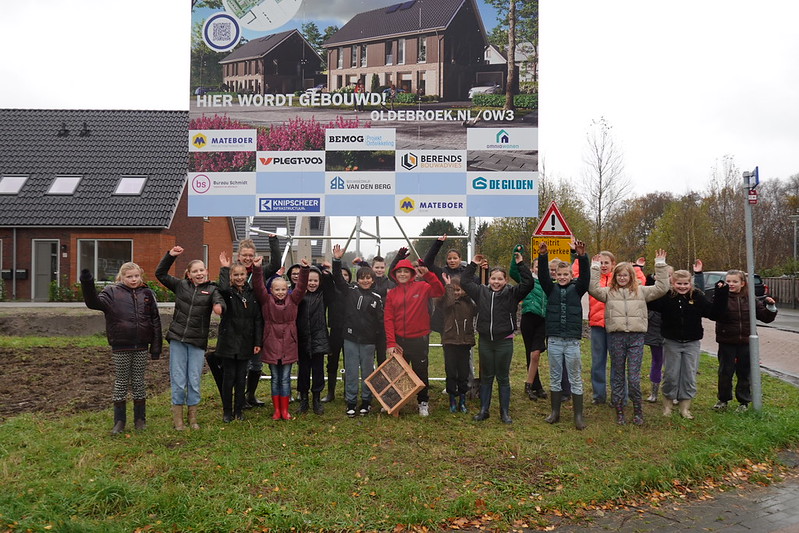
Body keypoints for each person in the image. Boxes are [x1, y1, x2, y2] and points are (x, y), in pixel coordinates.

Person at [589, 250, 669, 426]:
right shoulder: (609, 292)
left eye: (625, 275)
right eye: (619, 275)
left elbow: (662, 288)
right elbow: (593, 289)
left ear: (631, 276)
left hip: (636, 338)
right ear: (615, 276)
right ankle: (619, 409)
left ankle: (637, 410)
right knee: (618, 374)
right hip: (616, 338)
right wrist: (595, 267)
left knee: (633, 377)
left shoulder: (641, 291)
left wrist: (660, 264)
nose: (622, 278)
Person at [80, 263, 162, 434]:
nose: (133, 280)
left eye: (136, 276)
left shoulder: (147, 293)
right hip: (120, 345)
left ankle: (140, 420)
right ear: (121, 277)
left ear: (141, 276)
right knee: (121, 382)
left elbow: (155, 319)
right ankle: (119, 421)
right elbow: (93, 303)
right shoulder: (111, 293)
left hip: (141, 346)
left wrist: (156, 347)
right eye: (129, 276)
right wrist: (87, 282)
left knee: (138, 381)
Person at [461, 250, 534, 424]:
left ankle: (504, 413)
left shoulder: (512, 293)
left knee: (503, 377)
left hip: (504, 342)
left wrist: (520, 264)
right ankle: (484, 410)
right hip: (486, 341)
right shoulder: (480, 292)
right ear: (489, 279)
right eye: (493, 278)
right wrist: (473, 264)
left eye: (500, 279)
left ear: (505, 280)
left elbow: (529, 283)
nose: (496, 282)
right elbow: (465, 281)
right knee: (486, 377)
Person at [156, 246, 224, 431]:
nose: (199, 273)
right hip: (178, 339)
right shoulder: (180, 286)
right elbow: (160, 274)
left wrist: (219, 307)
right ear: (189, 274)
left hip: (197, 342)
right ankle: (178, 418)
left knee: (194, 379)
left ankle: (192, 417)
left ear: (206, 271)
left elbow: (219, 300)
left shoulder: (212, 289)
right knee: (178, 379)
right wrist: (170, 256)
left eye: (201, 270)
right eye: (195, 271)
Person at [649, 263, 720, 419]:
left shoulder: (697, 297)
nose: (682, 287)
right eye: (679, 284)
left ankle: (685, 408)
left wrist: (721, 295)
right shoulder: (667, 297)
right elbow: (651, 301)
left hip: (692, 343)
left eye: (686, 283)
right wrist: (654, 278)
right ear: (673, 283)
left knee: (689, 376)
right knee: (671, 375)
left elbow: (713, 313)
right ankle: (667, 406)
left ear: (690, 283)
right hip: (672, 342)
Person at [537, 241, 590, 429]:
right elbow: (543, 276)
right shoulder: (550, 289)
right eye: (559, 274)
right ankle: (555, 412)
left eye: (565, 274)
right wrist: (543, 256)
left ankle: (578, 416)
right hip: (554, 340)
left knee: (575, 377)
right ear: (555, 276)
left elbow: (586, 276)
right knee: (555, 376)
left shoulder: (578, 289)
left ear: (571, 275)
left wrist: (581, 256)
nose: (562, 277)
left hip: (572, 342)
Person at [384, 257, 445, 417]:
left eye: (406, 271)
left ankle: (423, 402)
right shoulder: (392, 294)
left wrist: (429, 275)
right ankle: (395, 401)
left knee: (420, 371)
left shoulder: (422, 287)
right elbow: (388, 319)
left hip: (419, 340)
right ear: (395, 274)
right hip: (400, 341)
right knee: (397, 372)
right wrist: (391, 342)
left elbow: (439, 291)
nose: (402, 274)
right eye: (399, 272)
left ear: (412, 273)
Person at [252, 255, 309, 421]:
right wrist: (257, 269)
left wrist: (305, 270)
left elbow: (301, 287)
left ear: (288, 289)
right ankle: (277, 410)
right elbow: (258, 286)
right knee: (275, 378)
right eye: (277, 289)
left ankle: (285, 410)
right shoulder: (266, 301)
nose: (280, 292)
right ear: (271, 290)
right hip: (271, 342)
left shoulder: (293, 299)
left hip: (289, 343)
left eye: (283, 289)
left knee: (285, 378)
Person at [711, 269, 777, 412]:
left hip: (746, 342)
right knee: (725, 372)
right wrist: (720, 295)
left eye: (735, 281)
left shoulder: (750, 298)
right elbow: (716, 313)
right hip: (727, 341)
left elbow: (765, 317)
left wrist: (770, 307)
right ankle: (723, 399)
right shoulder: (722, 297)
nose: (731, 284)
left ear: (742, 283)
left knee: (744, 373)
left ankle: (744, 401)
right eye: (728, 281)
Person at [332, 244, 384, 417]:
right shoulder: (350, 291)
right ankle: (351, 402)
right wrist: (336, 261)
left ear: (373, 280)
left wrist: (380, 341)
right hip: (350, 339)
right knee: (351, 371)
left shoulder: (377, 298)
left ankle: (366, 401)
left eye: (368, 278)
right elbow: (338, 279)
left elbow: (380, 322)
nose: (365, 281)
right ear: (357, 279)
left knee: (368, 372)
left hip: (369, 342)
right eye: (362, 278)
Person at [216, 252, 263, 423]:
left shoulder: (252, 294)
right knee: (229, 378)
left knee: (241, 377)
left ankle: (239, 409)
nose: (239, 278)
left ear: (246, 275)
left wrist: (257, 341)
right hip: (229, 341)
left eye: (242, 274)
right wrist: (224, 268)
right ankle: (227, 411)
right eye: (235, 275)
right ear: (231, 277)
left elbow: (257, 319)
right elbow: (221, 288)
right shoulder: (227, 293)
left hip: (246, 341)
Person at [237, 235, 281, 409]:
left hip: (258, 322)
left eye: (250, 255)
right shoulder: (234, 272)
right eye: (244, 255)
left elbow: (276, 264)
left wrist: (273, 242)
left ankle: (251, 395)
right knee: (241, 363)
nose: (248, 258)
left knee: (256, 363)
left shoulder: (260, 271)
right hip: (239, 324)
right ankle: (239, 398)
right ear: (239, 256)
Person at [295, 264, 334, 416]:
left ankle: (316, 399)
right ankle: (304, 399)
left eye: (315, 280)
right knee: (303, 371)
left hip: (318, 338)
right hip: (302, 338)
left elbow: (330, 288)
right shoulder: (299, 296)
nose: (312, 283)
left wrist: (327, 274)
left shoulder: (323, 296)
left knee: (318, 371)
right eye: (309, 280)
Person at [511, 245, 548, 401]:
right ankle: (535, 385)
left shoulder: (548, 282)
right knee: (530, 353)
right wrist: (516, 255)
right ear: (533, 268)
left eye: (542, 266)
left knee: (536, 352)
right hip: (528, 318)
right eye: (537, 266)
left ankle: (532, 384)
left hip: (543, 320)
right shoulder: (528, 280)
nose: (539, 269)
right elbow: (513, 272)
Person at [439, 273, 476, 413]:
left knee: (463, 373)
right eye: (453, 290)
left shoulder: (469, 304)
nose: (456, 293)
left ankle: (462, 399)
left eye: (458, 290)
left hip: (465, 342)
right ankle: (452, 399)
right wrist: (448, 287)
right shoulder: (446, 303)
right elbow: (448, 303)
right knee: (451, 372)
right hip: (450, 341)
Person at [322, 264, 351, 403]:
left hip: (350, 332)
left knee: (348, 362)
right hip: (335, 331)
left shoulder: (351, 291)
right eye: (341, 275)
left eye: (346, 275)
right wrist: (327, 272)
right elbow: (326, 280)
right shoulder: (331, 291)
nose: (343, 277)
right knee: (332, 362)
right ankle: (330, 392)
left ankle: (347, 392)